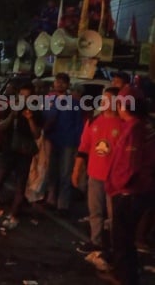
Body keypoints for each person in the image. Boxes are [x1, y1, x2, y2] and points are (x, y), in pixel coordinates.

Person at [103, 95, 155, 285]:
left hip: (128, 192)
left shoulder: (134, 128)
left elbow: (130, 165)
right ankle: (125, 274)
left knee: (122, 238)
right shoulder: (139, 126)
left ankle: (125, 277)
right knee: (125, 238)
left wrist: (118, 185)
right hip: (132, 191)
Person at [0, 82, 42, 229]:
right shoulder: (9, 108)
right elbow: (0, 127)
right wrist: (12, 117)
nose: (24, 99)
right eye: (21, 95)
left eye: (27, 96)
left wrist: (30, 119)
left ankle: (14, 214)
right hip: (8, 151)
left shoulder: (35, 111)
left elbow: (36, 134)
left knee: (20, 186)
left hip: (24, 153)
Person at [71, 87, 122, 256]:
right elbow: (83, 147)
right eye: (103, 99)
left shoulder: (124, 124)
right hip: (95, 174)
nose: (104, 103)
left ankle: (117, 246)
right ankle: (96, 241)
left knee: (116, 215)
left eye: (108, 99)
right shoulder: (93, 121)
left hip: (115, 178)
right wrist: (76, 169)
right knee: (95, 210)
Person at [43, 72, 84, 217]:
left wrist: (78, 144)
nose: (59, 84)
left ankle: (63, 205)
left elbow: (79, 125)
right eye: (57, 81)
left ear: (67, 85)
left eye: (62, 82)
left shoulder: (74, 102)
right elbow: (44, 119)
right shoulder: (48, 99)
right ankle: (51, 199)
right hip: (51, 140)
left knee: (66, 173)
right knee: (51, 171)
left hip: (68, 142)